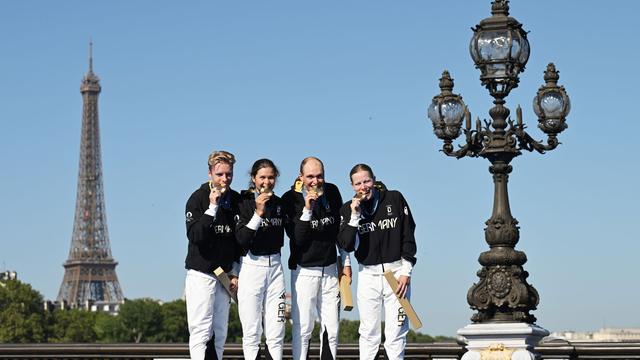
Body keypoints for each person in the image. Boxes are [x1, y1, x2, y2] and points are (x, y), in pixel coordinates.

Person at [338, 163, 417, 360]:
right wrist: (355, 216)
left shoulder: (394, 198)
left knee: (396, 332)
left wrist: (407, 271)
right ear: (352, 186)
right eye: (358, 183)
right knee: (368, 332)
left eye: (367, 181)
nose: (363, 186)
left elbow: (408, 233)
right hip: (368, 274)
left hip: (397, 273)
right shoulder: (347, 210)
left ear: (374, 180)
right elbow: (346, 244)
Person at [282, 157, 352, 360]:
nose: (315, 181)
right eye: (310, 176)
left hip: (330, 269)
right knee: (303, 328)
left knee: (332, 329)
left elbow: (340, 231)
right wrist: (307, 209)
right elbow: (298, 238)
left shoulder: (332, 191)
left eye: (319, 176)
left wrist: (345, 263)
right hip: (304, 271)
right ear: (301, 177)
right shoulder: (290, 199)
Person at [184, 150, 241, 360]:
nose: (224, 179)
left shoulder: (236, 200)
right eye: (220, 174)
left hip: (224, 276)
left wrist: (235, 271)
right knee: (201, 331)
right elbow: (195, 236)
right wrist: (212, 207)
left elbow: (238, 242)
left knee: (220, 332)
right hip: (201, 273)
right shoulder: (197, 199)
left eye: (228, 174)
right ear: (210, 174)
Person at [235, 158, 287, 360]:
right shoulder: (244, 203)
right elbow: (241, 240)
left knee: (276, 331)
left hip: (275, 267)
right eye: (262, 177)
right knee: (252, 331)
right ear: (254, 179)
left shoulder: (280, 204)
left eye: (271, 177)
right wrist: (258, 213)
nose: (267, 182)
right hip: (251, 266)